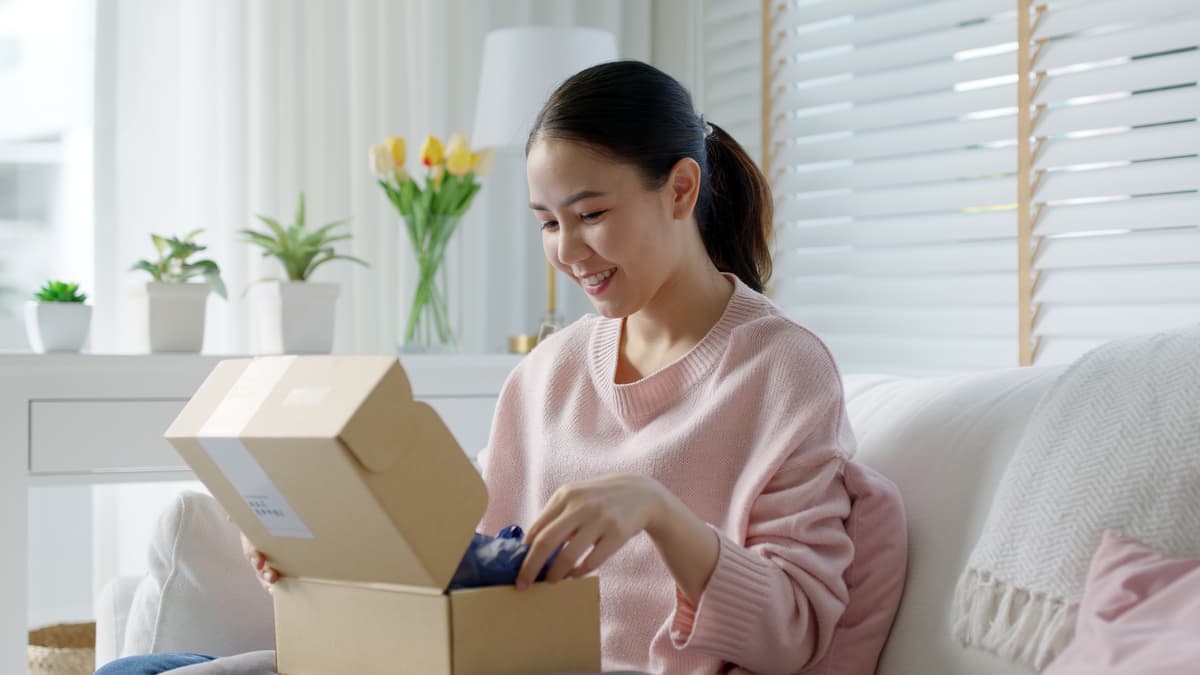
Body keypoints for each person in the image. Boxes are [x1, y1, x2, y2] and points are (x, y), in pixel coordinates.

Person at [96, 60, 906, 675]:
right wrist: (329, 556)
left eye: (591, 215)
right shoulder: (548, 373)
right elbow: (472, 571)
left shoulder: (782, 370)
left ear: (681, 188)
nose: (567, 250)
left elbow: (795, 628)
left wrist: (661, 514)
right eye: (547, 222)